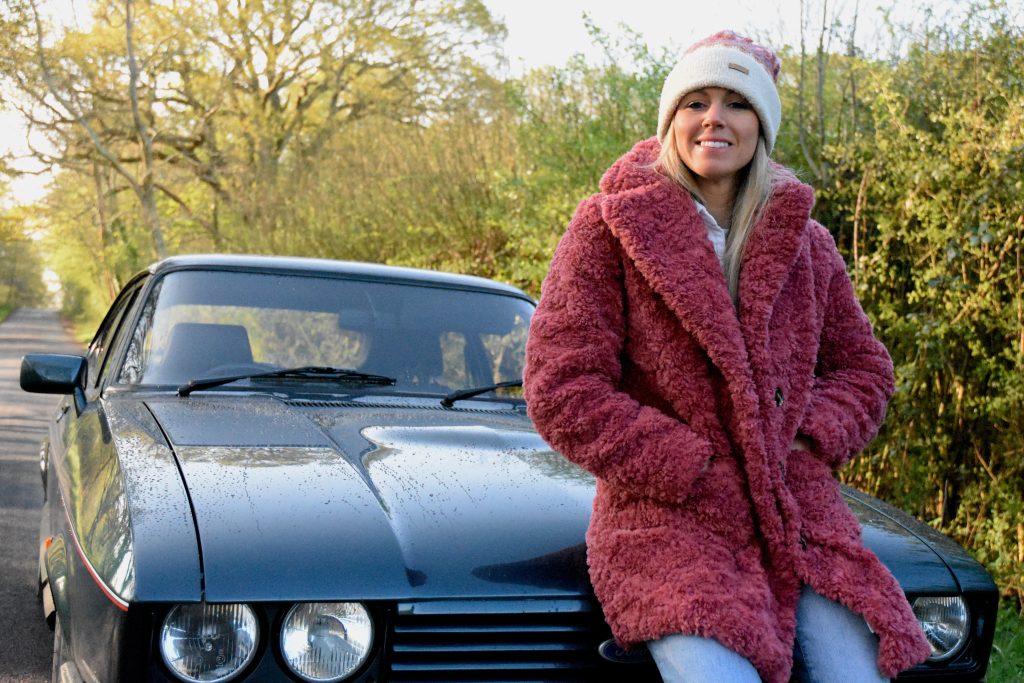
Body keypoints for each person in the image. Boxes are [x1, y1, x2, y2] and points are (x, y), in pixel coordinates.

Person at [522, 31, 931, 683]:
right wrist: (691, 465)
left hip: (798, 514)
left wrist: (804, 439)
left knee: (857, 673)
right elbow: (563, 387)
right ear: (671, 121)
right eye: (696, 102)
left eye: (737, 103)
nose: (714, 118)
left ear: (760, 125)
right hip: (670, 519)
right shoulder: (608, 229)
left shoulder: (808, 244)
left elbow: (864, 369)